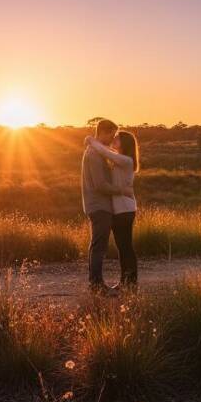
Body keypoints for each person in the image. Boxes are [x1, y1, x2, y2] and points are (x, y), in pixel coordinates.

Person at [81, 119, 133, 293]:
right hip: (99, 205)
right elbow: (100, 185)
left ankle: (96, 283)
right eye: (111, 134)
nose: (112, 139)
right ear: (103, 131)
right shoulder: (94, 155)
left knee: (98, 245)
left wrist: (91, 141)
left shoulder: (97, 152)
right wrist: (122, 190)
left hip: (101, 205)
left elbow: (110, 153)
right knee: (99, 246)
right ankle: (96, 285)